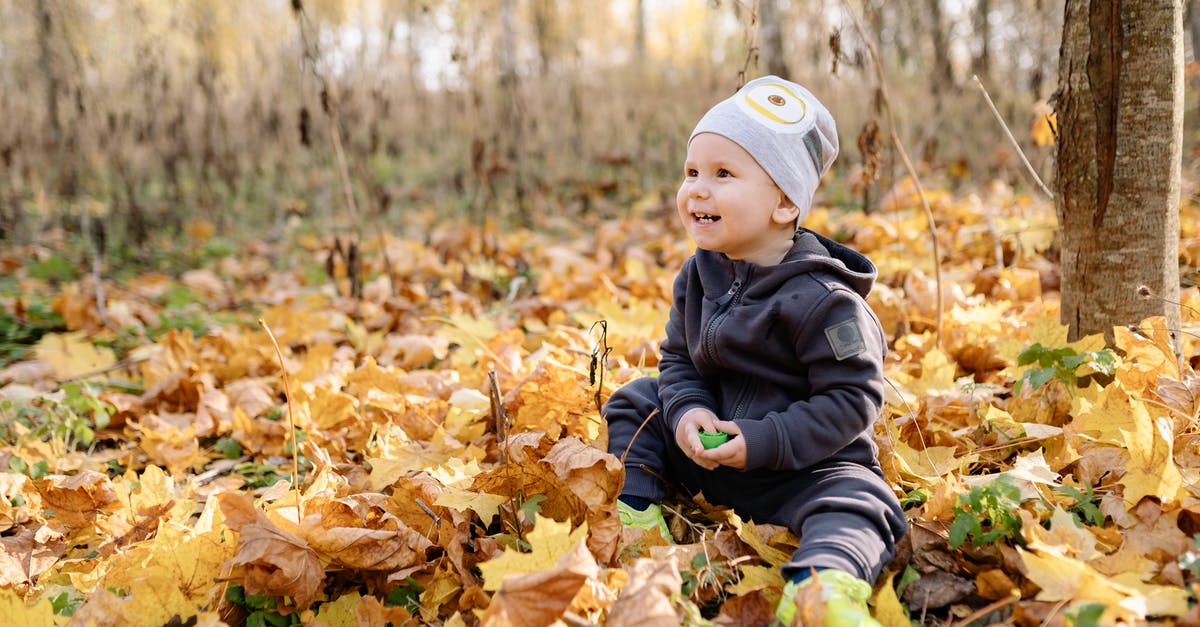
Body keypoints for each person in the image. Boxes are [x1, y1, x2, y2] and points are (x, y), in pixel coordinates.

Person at [603, 75, 907, 626]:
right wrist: (690, 413)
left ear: (785, 202)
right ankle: (637, 516)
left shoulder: (825, 301)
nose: (697, 188)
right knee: (636, 401)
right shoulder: (698, 275)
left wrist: (764, 440)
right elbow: (678, 362)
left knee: (862, 501)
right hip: (709, 451)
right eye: (692, 171)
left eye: (723, 174)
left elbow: (853, 399)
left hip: (802, 470)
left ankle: (824, 588)